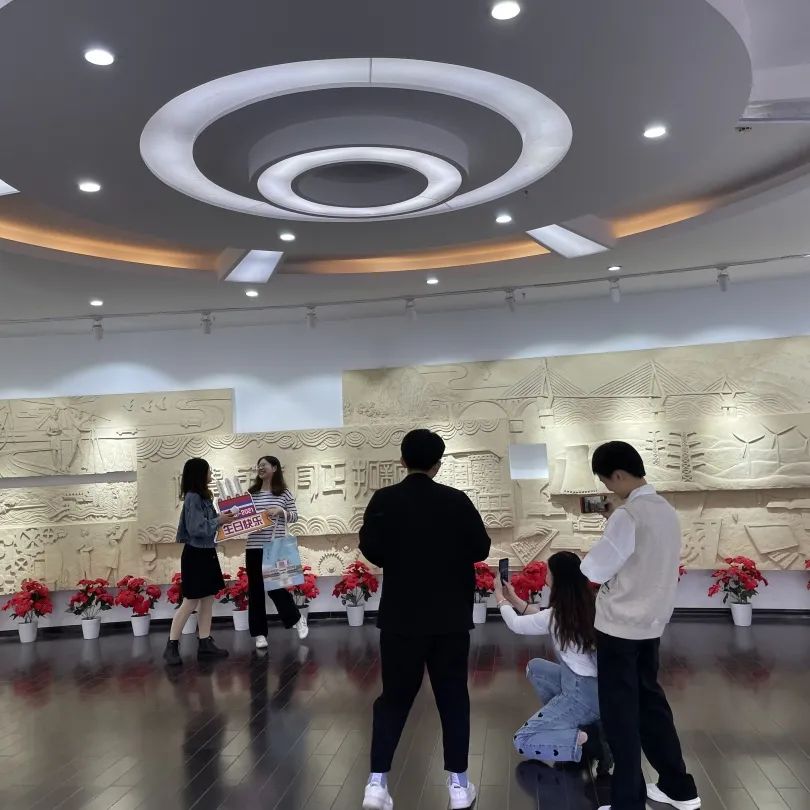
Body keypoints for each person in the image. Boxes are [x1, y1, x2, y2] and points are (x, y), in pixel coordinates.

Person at [358, 428, 492, 810]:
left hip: (401, 617)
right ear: (438, 464)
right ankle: (458, 785)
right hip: (450, 618)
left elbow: (372, 549)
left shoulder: (384, 500)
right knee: (453, 697)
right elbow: (481, 548)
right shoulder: (457, 500)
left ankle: (377, 783)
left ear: (403, 461)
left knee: (394, 699)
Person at [581, 441, 700, 810]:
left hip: (619, 626)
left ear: (618, 475)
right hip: (652, 623)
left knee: (620, 715)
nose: (607, 489)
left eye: (606, 481)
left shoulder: (627, 515)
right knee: (651, 705)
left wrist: (609, 527)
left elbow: (595, 568)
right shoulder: (665, 510)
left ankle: (628, 801)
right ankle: (679, 788)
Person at [494, 551, 605, 767]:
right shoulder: (587, 605)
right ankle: (579, 724)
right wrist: (512, 598)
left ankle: (590, 740)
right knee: (535, 668)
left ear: (557, 578)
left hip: (580, 695)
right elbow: (540, 617)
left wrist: (499, 597)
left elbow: (516, 625)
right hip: (598, 690)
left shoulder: (558, 616)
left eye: (548, 572)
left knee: (523, 740)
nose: (545, 576)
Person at [163, 457, 236, 666]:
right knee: (190, 601)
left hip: (205, 553)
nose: (211, 474)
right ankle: (171, 645)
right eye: (208, 471)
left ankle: (205, 642)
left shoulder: (202, 496)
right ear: (199, 474)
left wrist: (221, 518)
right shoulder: (193, 497)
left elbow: (206, 523)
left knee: (207, 600)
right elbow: (197, 528)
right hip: (196, 555)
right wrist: (219, 520)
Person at [245, 455, 308, 650]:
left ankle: (296, 618)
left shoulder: (284, 493)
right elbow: (242, 518)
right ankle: (259, 634)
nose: (260, 468)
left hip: (275, 547)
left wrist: (281, 512)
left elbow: (295, 516)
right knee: (255, 591)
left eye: (264, 465)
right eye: (259, 465)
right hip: (253, 547)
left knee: (276, 588)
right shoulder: (251, 494)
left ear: (274, 468)